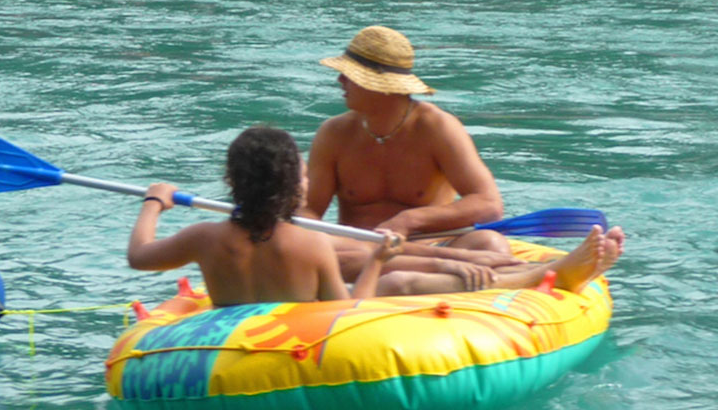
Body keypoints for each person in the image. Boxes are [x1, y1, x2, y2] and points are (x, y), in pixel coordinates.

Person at [306, 26, 624, 295]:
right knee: (335, 254)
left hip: (433, 246)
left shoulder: (437, 128)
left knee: (490, 243)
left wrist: (410, 220)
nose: (340, 82)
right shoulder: (333, 134)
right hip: (364, 252)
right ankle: (530, 278)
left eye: (349, 75)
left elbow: (488, 204)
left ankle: (512, 279)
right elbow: (308, 212)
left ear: (382, 86)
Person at [128, 125, 400, 306]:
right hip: (293, 365)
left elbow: (138, 256)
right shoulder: (312, 244)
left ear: (232, 180)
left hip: (229, 359)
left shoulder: (204, 238)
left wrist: (153, 202)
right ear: (290, 184)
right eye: (303, 176)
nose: (307, 182)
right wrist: (376, 261)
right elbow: (346, 317)